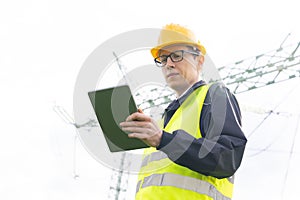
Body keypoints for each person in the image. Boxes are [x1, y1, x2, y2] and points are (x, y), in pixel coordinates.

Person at [119, 23, 247, 200]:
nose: (168, 64)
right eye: (163, 59)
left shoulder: (214, 95)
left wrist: (163, 139)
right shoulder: (162, 121)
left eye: (176, 56)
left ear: (199, 60)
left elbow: (227, 157)